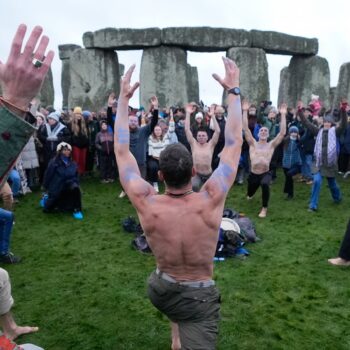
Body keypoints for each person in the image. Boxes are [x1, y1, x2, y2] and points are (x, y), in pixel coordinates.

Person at [114, 57, 242, 350]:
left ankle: (176, 339)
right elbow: (234, 142)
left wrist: (123, 100)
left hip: (161, 288)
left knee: (174, 299)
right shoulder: (211, 198)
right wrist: (233, 92)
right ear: (194, 172)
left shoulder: (146, 200)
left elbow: (121, 150)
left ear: (159, 175)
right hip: (197, 297)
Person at [298, 102, 347, 211]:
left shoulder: (335, 132)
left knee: (332, 184)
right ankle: (313, 205)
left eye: (329, 122)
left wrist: (343, 111)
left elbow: (343, 124)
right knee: (316, 181)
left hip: (330, 164)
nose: (326, 124)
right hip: (318, 162)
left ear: (332, 124)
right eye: (325, 122)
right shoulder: (318, 131)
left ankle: (337, 198)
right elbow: (306, 123)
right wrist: (300, 112)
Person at [242, 100, 287, 218]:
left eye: (265, 131)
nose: (263, 132)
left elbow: (282, 133)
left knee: (265, 184)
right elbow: (246, 129)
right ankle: (250, 194)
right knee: (250, 192)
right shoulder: (253, 143)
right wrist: (245, 111)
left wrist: (282, 114)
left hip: (266, 173)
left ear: (268, 135)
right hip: (253, 174)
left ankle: (264, 209)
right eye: (261, 130)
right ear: (258, 134)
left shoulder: (271, 145)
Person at [118, 95, 159, 198]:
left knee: (140, 183)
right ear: (127, 121)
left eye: (135, 121)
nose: (133, 123)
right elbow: (111, 121)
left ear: (138, 122)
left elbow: (153, 123)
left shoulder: (143, 131)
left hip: (141, 162)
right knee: (125, 179)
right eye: (131, 120)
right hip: (127, 162)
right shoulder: (124, 131)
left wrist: (156, 109)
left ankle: (139, 195)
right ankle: (124, 190)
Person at [41, 142, 83, 220]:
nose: (67, 152)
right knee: (48, 209)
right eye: (64, 150)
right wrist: (45, 187)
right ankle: (46, 198)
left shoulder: (73, 163)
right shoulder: (54, 163)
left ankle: (77, 210)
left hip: (69, 184)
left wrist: (76, 183)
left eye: (68, 150)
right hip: (57, 186)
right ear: (60, 151)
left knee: (75, 188)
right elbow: (48, 175)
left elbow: (76, 176)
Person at [185, 103, 220, 191]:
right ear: (196, 137)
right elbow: (187, 129)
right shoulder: (193, 144)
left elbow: (218, 131)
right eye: (199, 136)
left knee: (212, 192)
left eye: (203, 136)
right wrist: (188, 114)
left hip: (208, 174)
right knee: (193, 188)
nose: (201, 137)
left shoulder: (211, 144)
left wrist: (213, 116)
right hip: (196, 174)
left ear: (207, 137)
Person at [147, 117, 175, 192]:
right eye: (156, 130)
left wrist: (171, 119)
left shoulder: (166, 137)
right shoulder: (150, 137)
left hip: (164, 158)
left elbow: (171, 130)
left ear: (161, 130)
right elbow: (144, 127)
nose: (157, 131)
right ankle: (155, 183)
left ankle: (167, 181)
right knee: (153, 167)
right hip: (154, 158)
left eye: (159, 130)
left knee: (169, 166)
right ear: (154, 131)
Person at [282, 125, 302, 200]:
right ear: (289, 133)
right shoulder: (285, 140)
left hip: (296, 163)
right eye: (292, 132)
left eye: (295, 132)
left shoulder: (299, 141)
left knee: (289, 174)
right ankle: (289, 193)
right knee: (288, 178)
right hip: (286, 164)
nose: (294, 133)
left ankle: (288, 192)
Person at [69, 107, 89, 176]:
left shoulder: (84, 123)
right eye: (77, 114)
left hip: (83, 145)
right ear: (74, 114)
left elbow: (87, 134)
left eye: (80, 114)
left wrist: (86, 142)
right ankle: (75, 173)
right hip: (75, 145)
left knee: (82, 160)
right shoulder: (71, 123)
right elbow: (70, 135)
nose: (78, 115)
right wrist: (73, 143)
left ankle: (81, 173)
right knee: (76, 160)